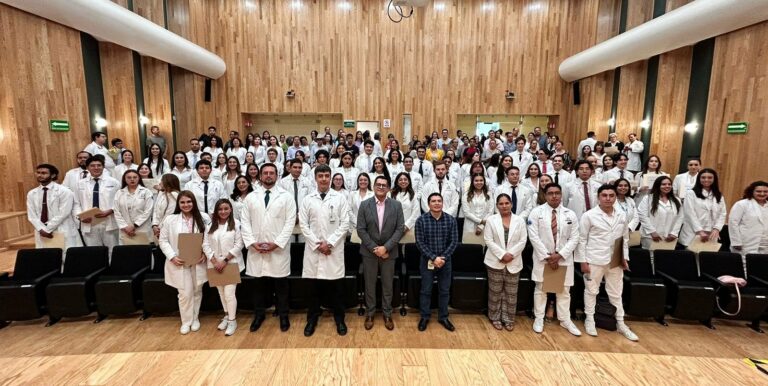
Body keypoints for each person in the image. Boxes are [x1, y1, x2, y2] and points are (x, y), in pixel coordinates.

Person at [577, 185, 638, 341]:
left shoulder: (622, 215)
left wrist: (624, 258)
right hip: (594, 259)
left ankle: (621, 323)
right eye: (604, 195)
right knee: (591, 291)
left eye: (611, 195)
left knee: (616, 293)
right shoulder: (589, 215)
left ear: (615, 197)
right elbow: (582, 240)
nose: (608, 198)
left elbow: (624, 239)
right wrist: (583, 261)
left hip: (615, 259)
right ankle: (590, 319)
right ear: (598, 197)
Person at [241, 163, 295, 333]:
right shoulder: (251, 197)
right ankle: (259, 315)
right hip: (256, 249)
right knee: (258, 286)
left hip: (278, 249)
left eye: (272, 173)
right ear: (260, 176)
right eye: (265, 173)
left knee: (281, 286)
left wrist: (276, 243)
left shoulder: (286, 197)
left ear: (277, 175)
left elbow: (290, 223)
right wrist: (252, 243)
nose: (268, 175)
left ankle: (284, 315)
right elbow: (245, 222)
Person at [299, 164, 351, 337]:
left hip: (333, 251)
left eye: (326, 176)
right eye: (320, 176)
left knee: (337, 289)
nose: (323, 179)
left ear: (330, 178)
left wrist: (329, 243)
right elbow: (303, 225)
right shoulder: (307, 199)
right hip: (314, 251)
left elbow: (345, 224)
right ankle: (312, 319)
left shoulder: (340, 198)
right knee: (313, 290)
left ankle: (340, 319)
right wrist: (318, 244)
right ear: (315, 178)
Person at [527, 183, 582, 336]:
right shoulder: (536, 212)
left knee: (564, 291)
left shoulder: (570, 214)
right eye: (550, 193)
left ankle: (565, 320)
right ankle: (539, 318)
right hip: (543, 258)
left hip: (563, 259)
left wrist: (560, 255)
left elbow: (575, 237)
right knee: (541, 289)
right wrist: (548, 256)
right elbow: (533, 236)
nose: (554, 196)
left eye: (557, 193)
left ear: (561, 195)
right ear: (545, 195)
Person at [158, 191, 211, 335]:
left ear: (194, 202)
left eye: (189, 201)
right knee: (184, 293)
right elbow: (163, 240)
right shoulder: (170, 219)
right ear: (178, 204)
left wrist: (205, 254)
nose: (186, 205)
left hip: (198, 261)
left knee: (197, 291)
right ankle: (186, 321)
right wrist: (172, 257)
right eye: (182, 202)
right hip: (179, 262)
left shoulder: (203, 217)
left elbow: (209, 238)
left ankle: (195, 318)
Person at [357, 176, 405, 331]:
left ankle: (387, 314)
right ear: (373, 186)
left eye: (384, 185)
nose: (381, 187)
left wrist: (386, 248)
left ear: (389, 188)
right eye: (378, 184)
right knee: (369, 285)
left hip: (389, 253)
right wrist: (375, 249)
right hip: (369, 253)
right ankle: (370, 313)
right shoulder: (364, 205)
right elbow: (361, 229)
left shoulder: (396, 205)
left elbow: (400, 229)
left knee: (387, 285)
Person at [482, 193, 527, 331]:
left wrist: (510, 254)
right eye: (501, 204)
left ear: (511, 204)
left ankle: (509, 319)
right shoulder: (491, 220)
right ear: (497, 206)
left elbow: (523, 240)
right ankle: (495, 317)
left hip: (514, 260)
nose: (504, 206)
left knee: (511, 293)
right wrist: (502, 254)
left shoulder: (520, 220)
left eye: (507, 203)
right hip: (495, 261)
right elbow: (488, 240)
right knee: (495, 292)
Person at [415, 193, 459, 332]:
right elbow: (420, 242)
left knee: (444, 291)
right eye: (433, 201)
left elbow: (454, 241)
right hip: (427, 261)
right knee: (426, 290)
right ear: (428, 204)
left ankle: (443, 317)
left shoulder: (451, 220)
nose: (436, 203)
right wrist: (434, 258)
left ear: (442, 203)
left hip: (446, 262)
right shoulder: (421, 220)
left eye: (439, 201)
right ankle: (425, 317)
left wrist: (442, 258)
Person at [202, 199, 244, 336]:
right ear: (216, 211)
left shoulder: (236, 224)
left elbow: (239, 244)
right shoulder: (210, 225)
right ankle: (226, 316)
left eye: (226, 208)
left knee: (229, 294)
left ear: (231, 209)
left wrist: (225, 260)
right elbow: (205, 245)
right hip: (215, 265)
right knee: (221, 293)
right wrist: (214, 261)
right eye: (220, 209)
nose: (223, 211)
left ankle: (232, 321)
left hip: (231, 263)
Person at [72, 156, 120, 254]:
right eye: (92, 166)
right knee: (94, 252)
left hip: (108, 221)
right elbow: (76, 203)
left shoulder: (114, 182)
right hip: (89, 222)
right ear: (87, 167)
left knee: (113, 251)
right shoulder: (80, 184)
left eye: (99, 165)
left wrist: (111, 210)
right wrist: (80, 217)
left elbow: (119, 201)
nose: (96, 168)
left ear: (103, 167)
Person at [27, 164, 77, 251]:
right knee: (45, 255)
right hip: (41, 231)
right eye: (38, 173)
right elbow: (32, 215)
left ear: (53, 175)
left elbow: (64, 213)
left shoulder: (64, 191)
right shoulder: (32, 193)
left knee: (64, 255)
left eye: (44, 173)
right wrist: (41, 229)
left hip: (61, 228)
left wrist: (48, 228)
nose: (40, 175)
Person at [679, 168, 727, 247]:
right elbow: (690, 213)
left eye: (710, 177)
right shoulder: (691, 193)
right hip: (693, 233)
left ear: (714, 179)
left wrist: (717, 228)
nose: (706, 180)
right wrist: (699, 231)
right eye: (703, 177)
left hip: (712, 233)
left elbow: (722, 213)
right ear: (699, 179)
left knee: (707, 254)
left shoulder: (718, 195)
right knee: (692, 253)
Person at [729, 181, 768, 271]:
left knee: (761, 268)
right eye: (758, 191)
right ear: (752, 191)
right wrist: (736, 242)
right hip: (746, 243)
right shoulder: (742, 204)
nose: (762, 194)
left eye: (765, 191)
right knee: (745, 267)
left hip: (765, 244)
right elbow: (733, 222)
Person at [637, 176, 683, 250]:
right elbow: (643, 216)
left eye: (669, 184)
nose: (667, 186)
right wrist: (652, 232)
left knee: (665, 255)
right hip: (650, 236)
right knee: (650, 255)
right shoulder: (648, 198)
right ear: (658, 186)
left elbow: (680, 217)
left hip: (669, 237)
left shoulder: (676, 200)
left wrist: (674, 233)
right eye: (664, 184)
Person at [113, 170, 154, 245]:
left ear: (139, 178)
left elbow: (148, 211)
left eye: (135, 177)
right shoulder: (119, 193)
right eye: (129, 177)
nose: (132, 179)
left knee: (143, 250)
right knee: (126, 251)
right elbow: (116, 211)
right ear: (124, 179)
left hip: (142, 228)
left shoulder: (146, 192)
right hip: (125, 229)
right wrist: (125, 226)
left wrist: (135, 225)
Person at [152, 174, 181, 240]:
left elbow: (170, 214)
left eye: (162, 181)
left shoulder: (175, 195)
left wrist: (160, 228)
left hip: (170, 229)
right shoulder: (161, 193)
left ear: (168, 182)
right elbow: (156, 210)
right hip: (159, 228)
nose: (160, 183)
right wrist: (154, 225)